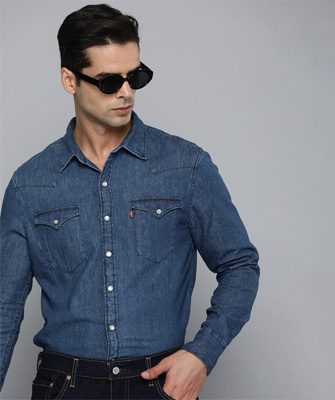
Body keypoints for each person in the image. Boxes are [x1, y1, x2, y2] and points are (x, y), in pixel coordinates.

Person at [0, 4, 260, 399]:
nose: (126, 93)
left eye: (135, 77)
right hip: (65, 385)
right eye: (109, 82)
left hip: (157, 383)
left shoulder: (185, 166)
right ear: (70, 80)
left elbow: (240, 264)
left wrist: (201, 354)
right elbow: (4, 307)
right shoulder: (29, 185)